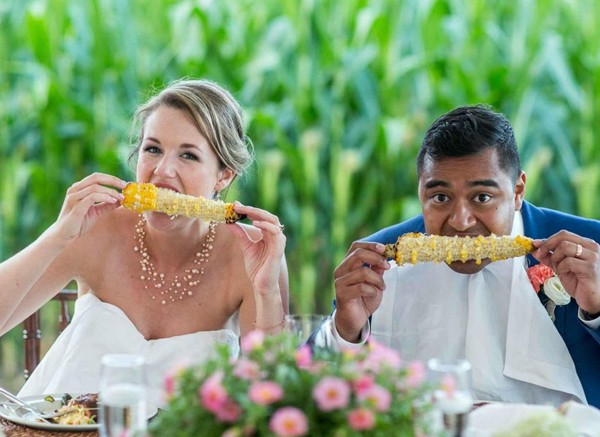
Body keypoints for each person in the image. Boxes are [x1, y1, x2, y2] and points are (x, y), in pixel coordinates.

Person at [0, 79, 288, 404]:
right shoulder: (95, 227)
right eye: (153, 149)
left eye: (189, 156)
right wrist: (55, 239)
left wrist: (267, 292)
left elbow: (269, 399)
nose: (162, 170)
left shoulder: (253, 254)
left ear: (224, 175)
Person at [312, 105, 600, 408]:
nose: (461, 222)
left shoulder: (590, 249)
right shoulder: (376, 259)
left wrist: (597, 309)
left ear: (517, 191)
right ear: (420, 193)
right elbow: (309, 389)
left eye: (482, 197)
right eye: (440, 198)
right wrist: (345, 329)